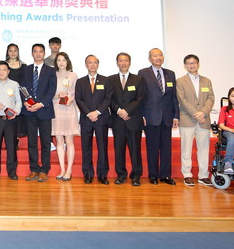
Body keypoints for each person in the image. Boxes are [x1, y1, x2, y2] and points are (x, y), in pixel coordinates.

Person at [138, 48, 179, 185]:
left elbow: (174, 97)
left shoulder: (170, 74)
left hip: (167, 117)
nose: (158, 58)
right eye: (155, 56)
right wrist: (141, 115)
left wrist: (176, 116)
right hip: (150, 116)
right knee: (152, 148)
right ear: (150, 58)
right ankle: (153, 175)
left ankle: (166, 175)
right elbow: (140, 96)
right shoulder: (143, 73)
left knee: (166, 148)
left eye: (160, 55)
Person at [176, 54, 216, 187]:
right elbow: (182, 100)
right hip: (187, 119)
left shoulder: (207, 81)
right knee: (186, 148)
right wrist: (196, 113)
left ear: (198, 64)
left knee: (204, 148)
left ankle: (203, 176)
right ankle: (187, 175)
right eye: (188, 63)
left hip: (204, 120)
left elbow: (211, 98)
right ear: (185, 65)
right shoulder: (180, 81)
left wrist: (203, 113)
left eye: (194, 63)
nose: (191, 65)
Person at [107, 53, 146, 186]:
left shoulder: (138, 79)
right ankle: (121, 175)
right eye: (121, 61)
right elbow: (108, 99)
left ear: (130, 63)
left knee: (135, 150)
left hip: (133, 119)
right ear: (117, 63)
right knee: (119, 150)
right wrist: (118, 111)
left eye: (126, 61)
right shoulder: (110, 80)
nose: (123, 63)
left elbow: (140, 98)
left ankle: (136, 175)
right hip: (117, 120)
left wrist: (126, 111)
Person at [21, 43, 57, 182]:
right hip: (29, 111)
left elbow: (51, 90)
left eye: (40, 51)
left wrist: (41, 104)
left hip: (44, 110)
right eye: (35, 51)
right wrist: (25, 101)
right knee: (32, 142)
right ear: (32, 53)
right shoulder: (27, 69)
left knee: (46, 142)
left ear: (44, 53)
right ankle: (34, 169)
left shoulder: (50, 70)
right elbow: (22, 87)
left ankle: (44, 170)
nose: (38, 54)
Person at [75, 55, 112, 184]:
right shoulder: (80, 82)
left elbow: (108, 99)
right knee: (86, 148)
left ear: (98, 64)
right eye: (90, 63)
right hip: (86, 119)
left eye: (95, 62)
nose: (92, 65)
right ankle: (88, 174)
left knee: (102, 147)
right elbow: (78, 99)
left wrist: (97, 112)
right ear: (86, 65)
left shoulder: (106, 80)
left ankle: (102, 174)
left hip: (101, 118)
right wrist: (89, 113)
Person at [0, 61, 23, 180]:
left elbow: (19, 101)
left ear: (8, 71)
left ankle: (12, 172)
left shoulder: (14, 84)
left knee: (11, 147)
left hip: (10, 120)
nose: (2, 72)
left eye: (4, 70)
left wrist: (15, 112)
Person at [52, 52, 80, 180]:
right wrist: (58, 95)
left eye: (63, 60)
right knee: (59, 141)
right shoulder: (52, 75)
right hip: (56, 109)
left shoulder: (73, 75)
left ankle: (69, 171)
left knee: (69, 141)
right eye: (59, 60)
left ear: (67, 61)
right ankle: (62, 170)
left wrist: (70, 98)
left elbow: (76, 92)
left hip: (69, 109)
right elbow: (49, 94)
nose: (61, 63)